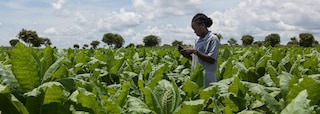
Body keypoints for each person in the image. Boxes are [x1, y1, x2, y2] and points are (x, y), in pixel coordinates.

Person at [179, 13, 220, 87]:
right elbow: (199, 61)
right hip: (197, 78)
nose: (194, 32)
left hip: (208, 79)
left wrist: (195, 51)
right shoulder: (197, 40)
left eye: (195, 29)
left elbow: (211, 60)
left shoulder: (213, 39)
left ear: (203, 25)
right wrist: (188, 56)